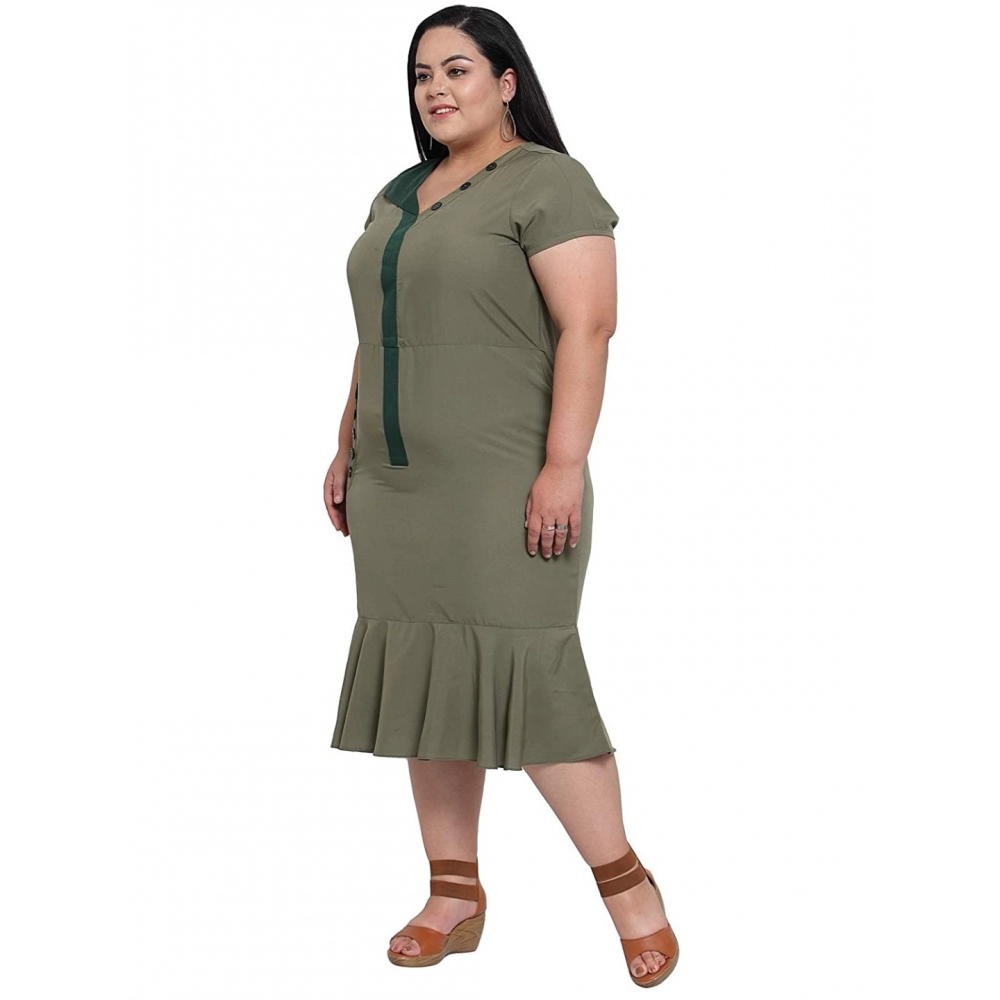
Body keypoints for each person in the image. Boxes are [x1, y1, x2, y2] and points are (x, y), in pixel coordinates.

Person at [323, 6, 679, 988]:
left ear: (505, 81)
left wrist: (563, 464)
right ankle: (454, 893)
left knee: (533, 671)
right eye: (420, 75)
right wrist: (345, 442)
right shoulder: (397, 194)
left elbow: (588, 328)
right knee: (424, 675)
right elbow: (377, 332)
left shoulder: (549, 183)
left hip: (504, 477)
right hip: (396, 482)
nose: (435, 89)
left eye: (457, 69)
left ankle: (628, 890)